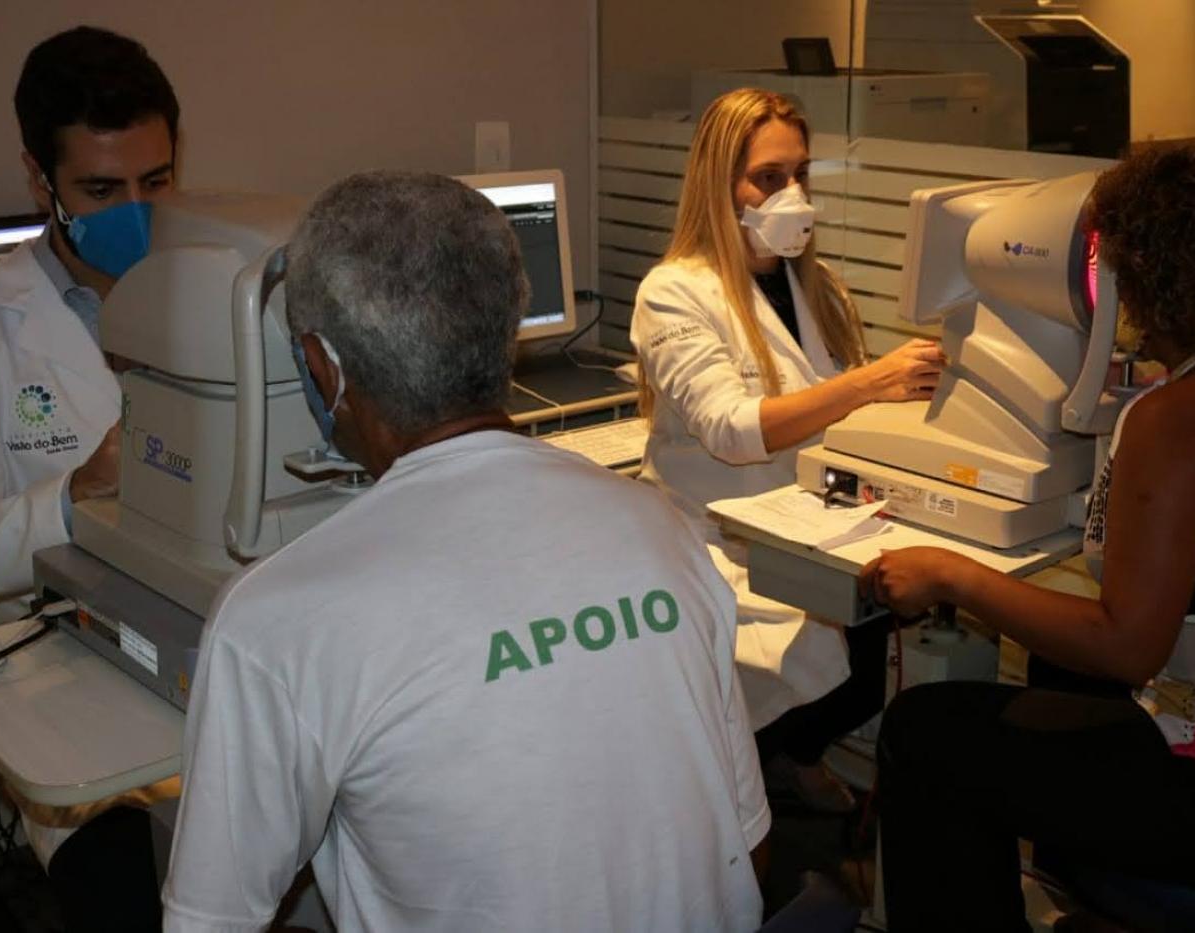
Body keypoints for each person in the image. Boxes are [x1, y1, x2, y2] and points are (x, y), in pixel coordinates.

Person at [163, 171, 770, 931]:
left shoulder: (275, 620)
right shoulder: (662, 529)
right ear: (506, 326)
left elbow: (208, 922)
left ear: (323, 366)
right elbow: (749, 847)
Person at [865, 143, 1195, 932]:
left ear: (1145, 274)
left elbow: (1127, 647)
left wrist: (952, 574)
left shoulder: (1178, 418)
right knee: (1051, 668)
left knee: (926, 734)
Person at [630, 88, 942, 811]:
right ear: (721, 183)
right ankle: (751, 784)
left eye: (800, 174)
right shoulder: (675, 292)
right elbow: (734, 431)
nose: (791, 193)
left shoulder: (817, 288)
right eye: (768, 177)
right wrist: (870, 381)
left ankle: (788, 755)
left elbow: (839, 413)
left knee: (869, 657)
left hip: (815, 525)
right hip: (717, 536)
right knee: (828, 665)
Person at [0, 26, 180, 929]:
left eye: (156, 182)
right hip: (60, 680)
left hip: (220, 649)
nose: (137, 211)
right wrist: (73, 499)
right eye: (101, 189)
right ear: (40, 181)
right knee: (137, 887)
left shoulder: (223, 294)